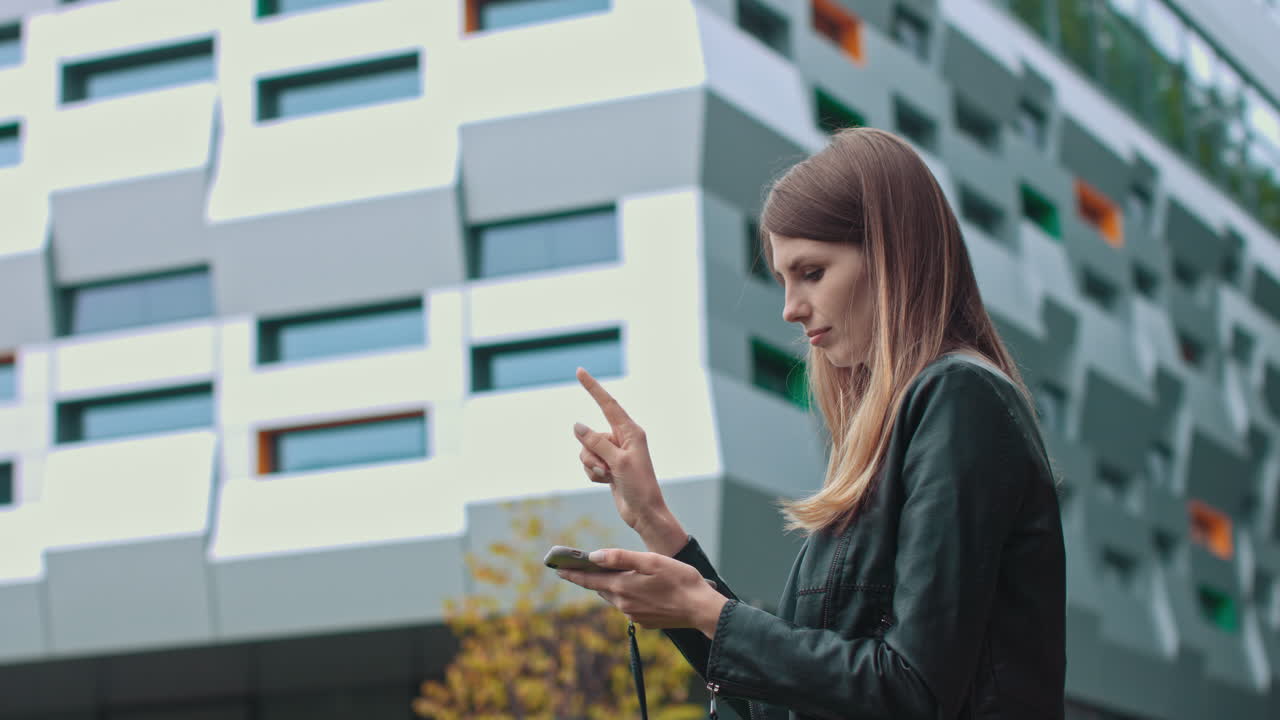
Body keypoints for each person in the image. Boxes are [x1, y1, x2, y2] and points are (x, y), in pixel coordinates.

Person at [555, 127, 1066, 719]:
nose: (790, 309)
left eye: (813, 272)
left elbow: (913, 693)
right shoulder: (895, 432)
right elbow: (782, 705)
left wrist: (706, 611)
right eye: (783, 280)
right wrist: (655, 523)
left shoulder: (959, 398)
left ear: (893, 256)